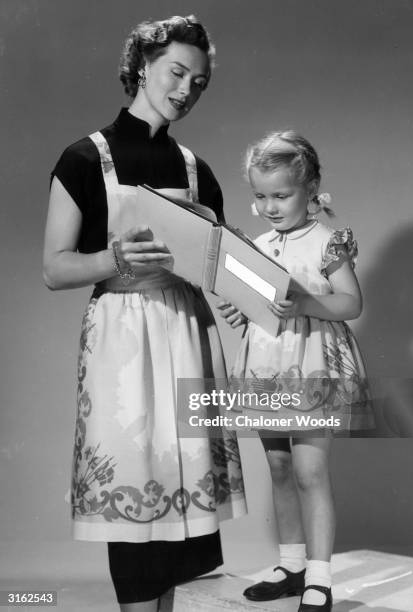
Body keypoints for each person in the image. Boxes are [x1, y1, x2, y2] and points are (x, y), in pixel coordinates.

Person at [43, 15, 246, 612]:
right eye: (177, 73)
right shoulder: (84, 158)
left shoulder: (195, 170)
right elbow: (54, 269)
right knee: (138, 481)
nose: (186, 90)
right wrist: (112, 256)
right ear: (141, 65)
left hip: (186, 327)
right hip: (123, 331)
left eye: (199, 82)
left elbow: (219, 262)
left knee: (183, 495)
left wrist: (240, 292)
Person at [218, 131, 372, 612]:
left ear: (312, 188)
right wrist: (244, 310)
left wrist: (306, 301)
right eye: (260, 196)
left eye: (281, 195)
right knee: (280, 467)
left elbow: (351, 302)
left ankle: (320, 578)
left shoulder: (327, 242)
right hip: (267, 363)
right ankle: (291, 565)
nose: (269, 206)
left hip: (310, 365)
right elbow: (261, 300)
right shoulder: (258, 244)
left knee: (309, 470)